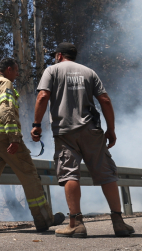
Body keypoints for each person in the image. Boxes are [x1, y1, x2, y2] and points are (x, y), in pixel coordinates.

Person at [31, 42, 134, 238]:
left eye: (56, 55)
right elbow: (105, 100)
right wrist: (111, 129)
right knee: (106, 173)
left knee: (70, 174)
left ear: (60, 56)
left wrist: (36, 124)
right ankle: (119, 222)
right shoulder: (89, 73)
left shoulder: (51, 71)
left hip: (65, 132)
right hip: (91, 131)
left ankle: (76, 223)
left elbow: (43, 96)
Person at [0, 58, 65, 234]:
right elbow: (7, 110)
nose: (18, 74)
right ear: (9, 69)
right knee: (29, 176)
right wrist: (14, 138)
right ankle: (44, 220)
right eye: (16, 70)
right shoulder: (5, 83)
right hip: (5, 138)